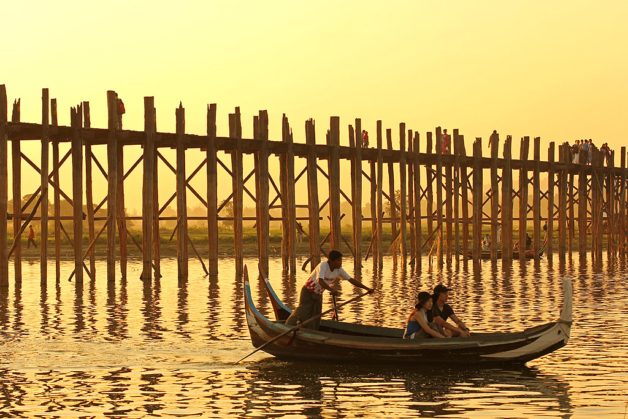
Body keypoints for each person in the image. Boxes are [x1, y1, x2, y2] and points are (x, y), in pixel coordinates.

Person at [285, 250, 373, 330]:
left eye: (341, 260)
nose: (340, 263)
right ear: (331, 261)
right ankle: (287, 327)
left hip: (318, 295)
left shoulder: (339, 270)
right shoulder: (323, 266)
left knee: (316, 317)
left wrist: (367, 288)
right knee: (302, 312)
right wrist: (331, 290)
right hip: (307, 292)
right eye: (338, 260)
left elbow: (351, 280)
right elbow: (320, 281)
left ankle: (311, 331)